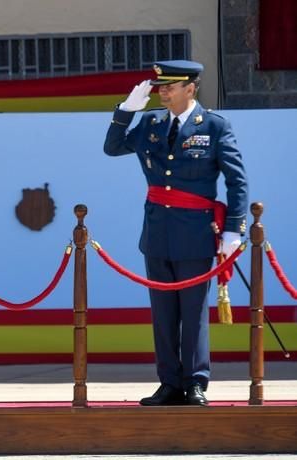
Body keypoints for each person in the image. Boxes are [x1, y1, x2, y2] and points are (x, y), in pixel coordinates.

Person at [103, 60, 248, 406]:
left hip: (195, 232)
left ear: (190, 88)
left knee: (194, 311)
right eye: (161, 87)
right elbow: (113, 147)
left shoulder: (213, 126)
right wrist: (126, 111)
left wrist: (233, 230)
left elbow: (236, 181)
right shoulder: (150, 122)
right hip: (157, 232)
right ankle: (168, 382)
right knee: (163, 312)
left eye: (170, 86)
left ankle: (195, 382)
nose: (163, 92)